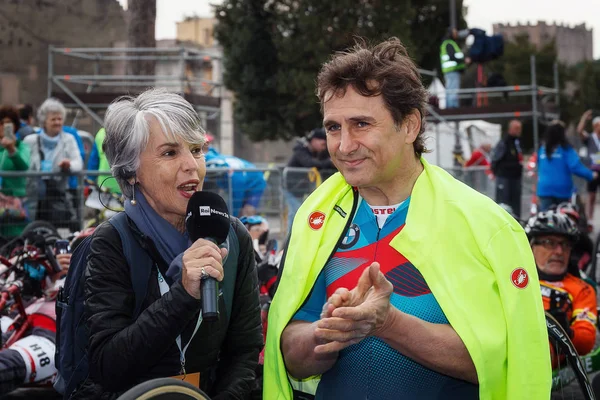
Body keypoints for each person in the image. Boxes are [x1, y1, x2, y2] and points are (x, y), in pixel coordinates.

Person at [264, 38, 550, 400]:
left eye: (361, 124)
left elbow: (505, 361)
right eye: (333, 128)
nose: (344, 145)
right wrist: (329, 332)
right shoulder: (315, 217)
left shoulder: (485, 226)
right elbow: (290, 354)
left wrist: (388, 324)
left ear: (410, 126)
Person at [76, 88, 262, 399]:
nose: (192, 165)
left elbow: (244, 353)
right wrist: (184, 295)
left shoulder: (231, 235)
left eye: (196, 149)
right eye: (170, 153)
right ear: (132, 170)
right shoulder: (112, 242)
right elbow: (107, 365)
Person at [524, 210, 597, 360]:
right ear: (531, 247)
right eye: (549, 243)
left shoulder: (582, 289)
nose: (559, 251)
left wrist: (566, 332)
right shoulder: (515, 278)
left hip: (538, 359)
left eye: (565, 245)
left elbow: (587, 341)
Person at [0, 246, 70, 395]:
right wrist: (48, 276)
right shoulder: (53, 276)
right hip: (22, 322)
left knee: (7, 364)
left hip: (53, 336)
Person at [23, 98, 82, 228]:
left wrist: (69, 165)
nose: (57, 122)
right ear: (44, 121)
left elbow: (79, 163)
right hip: (33, 195)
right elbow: (23, 164)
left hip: (58, 195)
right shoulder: (30, 140)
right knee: (33, 230)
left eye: (60, 119)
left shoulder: (69, 140)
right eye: (53, 119)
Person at [536, 121, 595, 211]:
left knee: (546, 220)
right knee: (562, 219)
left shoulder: (542, 149)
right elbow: (575, 167)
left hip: (544, 189)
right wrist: (591, 175)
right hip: (562, 190)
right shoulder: (566, 149)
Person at [203, 135, 267, 217]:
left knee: (247, 212)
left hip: (256, 181)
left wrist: (231, 219)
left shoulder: (232, 176)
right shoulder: (215, 159)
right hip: (244, 177)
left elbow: (236, 201)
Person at [285, 128, 335, 231]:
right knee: (296, 213)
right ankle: (291, 238)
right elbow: (309, 163)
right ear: (314, 140)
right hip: (291, 188)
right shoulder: (301, 150)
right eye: (323, 143)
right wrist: (329, 162)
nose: (324, 146)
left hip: (302, 190)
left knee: (301, 212)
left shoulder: (317, 152)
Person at [0, 106, 31, 238]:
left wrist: (11, 149)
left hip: (15, 206)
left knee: (15, 243)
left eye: (8, 123)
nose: (4, 126)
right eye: (1, 123)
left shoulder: (22, 146)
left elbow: (24, 165)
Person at [491, 119, 523, 218]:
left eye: (520, 129)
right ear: (511, 129)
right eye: (516, 128)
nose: (519, 131)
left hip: (515, 178)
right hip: (504, 178)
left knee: (515, 205)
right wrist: (498, 173)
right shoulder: (504, 142)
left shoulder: (517, 142)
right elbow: (495, 159)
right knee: (504, 205)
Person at [577, 110, 600, 220]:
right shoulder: (590, 138)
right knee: (592, 195)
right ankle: (589, 218)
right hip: (593, 171)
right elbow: (580, 131)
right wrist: (584, 118)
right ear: (595, 126)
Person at [440, 28, 471, 109]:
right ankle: (452, 108)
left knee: (450, 90)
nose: (456, 34)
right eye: (455, 32)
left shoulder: (447, 43)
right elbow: (452, 56)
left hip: (450, 71)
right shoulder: (449, 43)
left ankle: (450, 107)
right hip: (452, 70)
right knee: (453, 90)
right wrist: (463, 60)